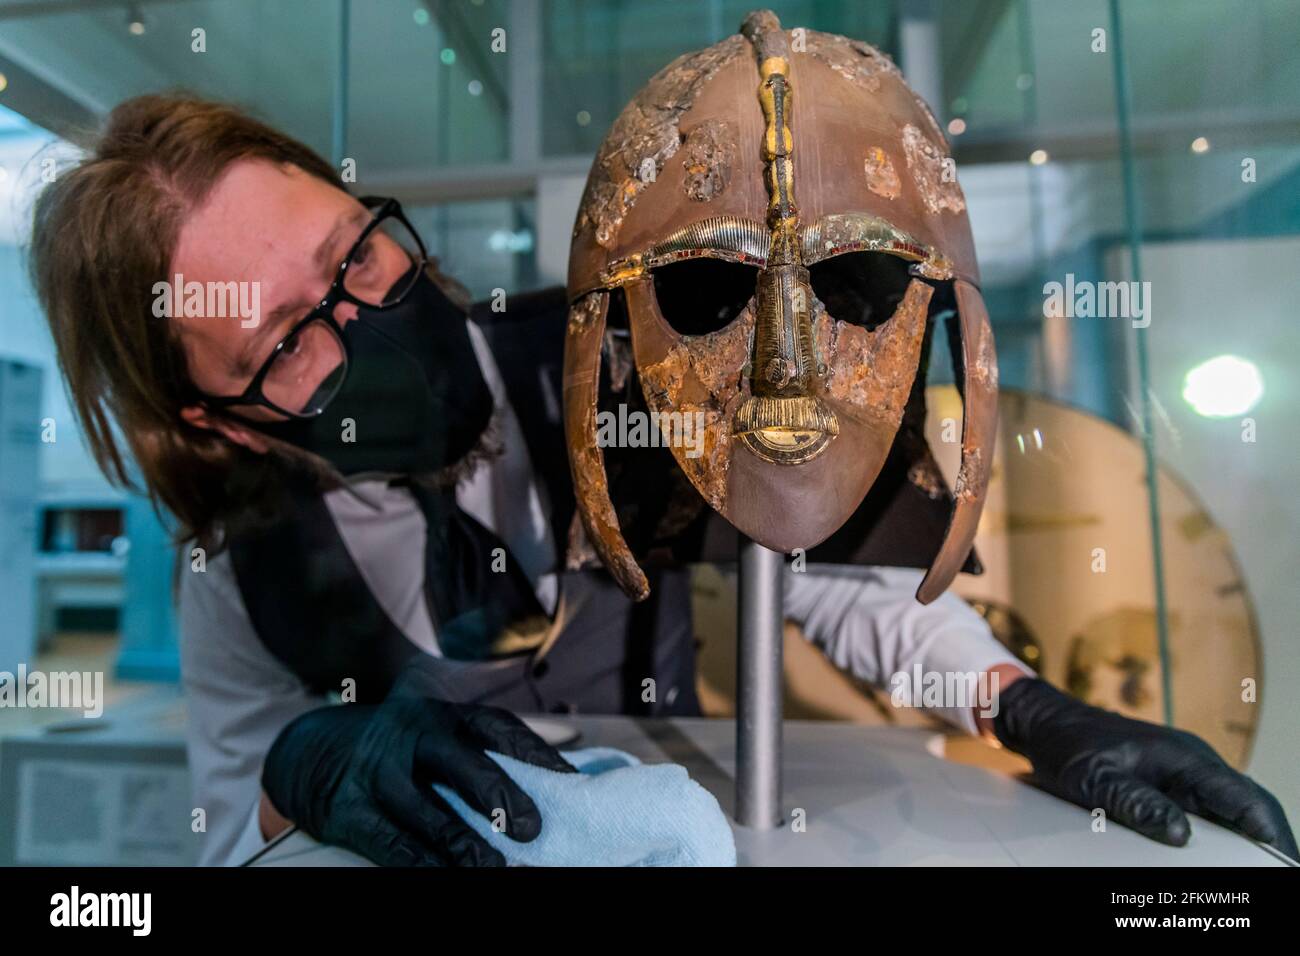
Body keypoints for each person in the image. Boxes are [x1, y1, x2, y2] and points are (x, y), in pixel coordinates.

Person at [30, 94, 1295, 866]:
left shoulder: (613, 367)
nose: (363, 316)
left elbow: (824, 577)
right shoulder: (239, 568)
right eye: (288, 340)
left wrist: (1024, 707)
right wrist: (296, 767)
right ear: (227, 422)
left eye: (351, 253)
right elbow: (226, 840)